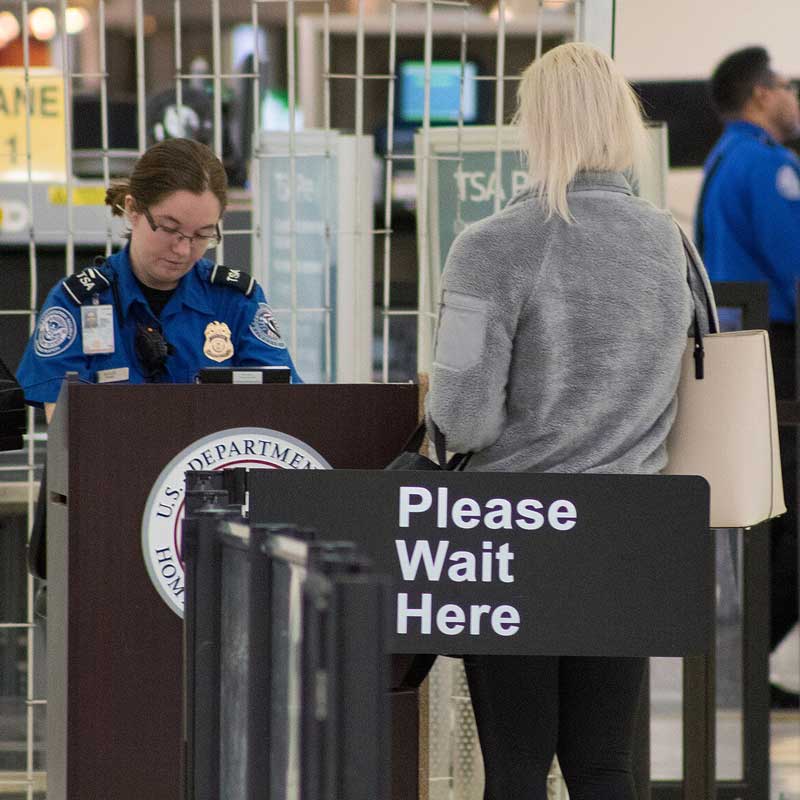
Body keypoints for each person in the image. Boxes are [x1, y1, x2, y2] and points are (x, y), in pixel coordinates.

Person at [426, 42, 716, 800]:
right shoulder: (670, 243)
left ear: (536, 125)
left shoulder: (490, 247)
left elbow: (462, 419)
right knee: (604, 765)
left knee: (517, 766)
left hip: (515, 530)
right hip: (629, 529)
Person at [17, 137, 300, 424]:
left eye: (202, 234)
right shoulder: (78, 304)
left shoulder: (235, 302)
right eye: (169, 228)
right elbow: (68, 431)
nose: (183, 249)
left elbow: (285, 406)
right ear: (133, 210)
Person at [696, 46, 800, 707]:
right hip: (781, 355)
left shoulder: (720, 162)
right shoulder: (767, 166)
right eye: (787, 86)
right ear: (762, 94)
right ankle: (744, 660)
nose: (794, 98)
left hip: (742, 356)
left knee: (771, 514)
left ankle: (745, 664)